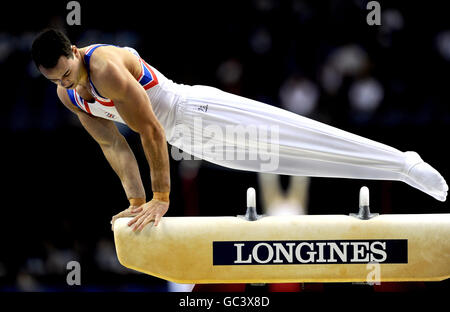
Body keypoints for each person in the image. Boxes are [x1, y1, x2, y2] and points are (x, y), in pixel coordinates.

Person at [31, 29, 447, 232]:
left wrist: (161, 198)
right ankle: (396, 171)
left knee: (297, 134)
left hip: (196, 110)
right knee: (291, 158)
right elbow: (115, 147)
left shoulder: (104, 66)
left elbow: (150, 131)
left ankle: (405, 163)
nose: (66, 84)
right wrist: (137, 201)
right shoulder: (70, 97)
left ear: (72, 51)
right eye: (55, 81)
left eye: (67, 73)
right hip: (190, 140)